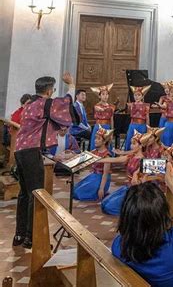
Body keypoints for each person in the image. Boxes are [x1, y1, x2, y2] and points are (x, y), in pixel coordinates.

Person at [13, 72, 78, 249]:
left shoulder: (30, 104)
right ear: (49, 91)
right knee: (37, 194)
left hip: (20, 151)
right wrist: (71, 85)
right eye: (53, 89)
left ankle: (19, 234)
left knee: (25, 194)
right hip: (31, 152)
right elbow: (65, 104)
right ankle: (32, 238)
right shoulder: (44, 103)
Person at [112, 162, 173, 287]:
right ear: (163, 214)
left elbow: (137, 215)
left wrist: (137, 193)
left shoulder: (119, 246)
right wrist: (171, 184)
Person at [101, 131, 150, 216]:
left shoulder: (144, 161)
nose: (131, 146)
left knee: (109, 207)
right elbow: (114, 160)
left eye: (134, 144)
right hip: (127, 187)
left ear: (141, 146)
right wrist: (95, 160)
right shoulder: (130, 156)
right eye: (131, 143)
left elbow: (144, 180)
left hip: (136, 191)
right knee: (104, 203)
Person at [73, 126, 113, 201]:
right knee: (74, 191)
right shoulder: (95, 151)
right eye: (95, 138)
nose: (95, 140)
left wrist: (101, 189)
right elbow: (83, 157)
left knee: (79, 194)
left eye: (98, 139)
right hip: (94, 176)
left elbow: (105, 174)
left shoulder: (107, 155)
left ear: (104, 142)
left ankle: (103, 192)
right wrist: (71, 155)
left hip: (101, 179)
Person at [124, 86, 151, 151]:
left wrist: (148, 129)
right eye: (135, 95)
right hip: (133, 125)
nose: (137, 97)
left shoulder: (146, 106)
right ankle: (128, 155)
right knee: (130, 139)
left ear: (142, 96)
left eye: (139, 95)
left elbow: (147, 118)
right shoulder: (131, 105)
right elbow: (131, 117)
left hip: (142, 126)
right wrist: (129, 127)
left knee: (141, 141)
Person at [90, 84, 115, 151]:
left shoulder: (111, 107)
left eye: (107, 94)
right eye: (103, 94)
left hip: (107, 127)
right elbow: (97, 108)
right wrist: (101, 109)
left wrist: (112, 132)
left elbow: (111, 119)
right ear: (99, 96)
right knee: (96, 145)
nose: (105, 96)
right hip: (98, 127)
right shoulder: (96, 106)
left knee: (107, 145)